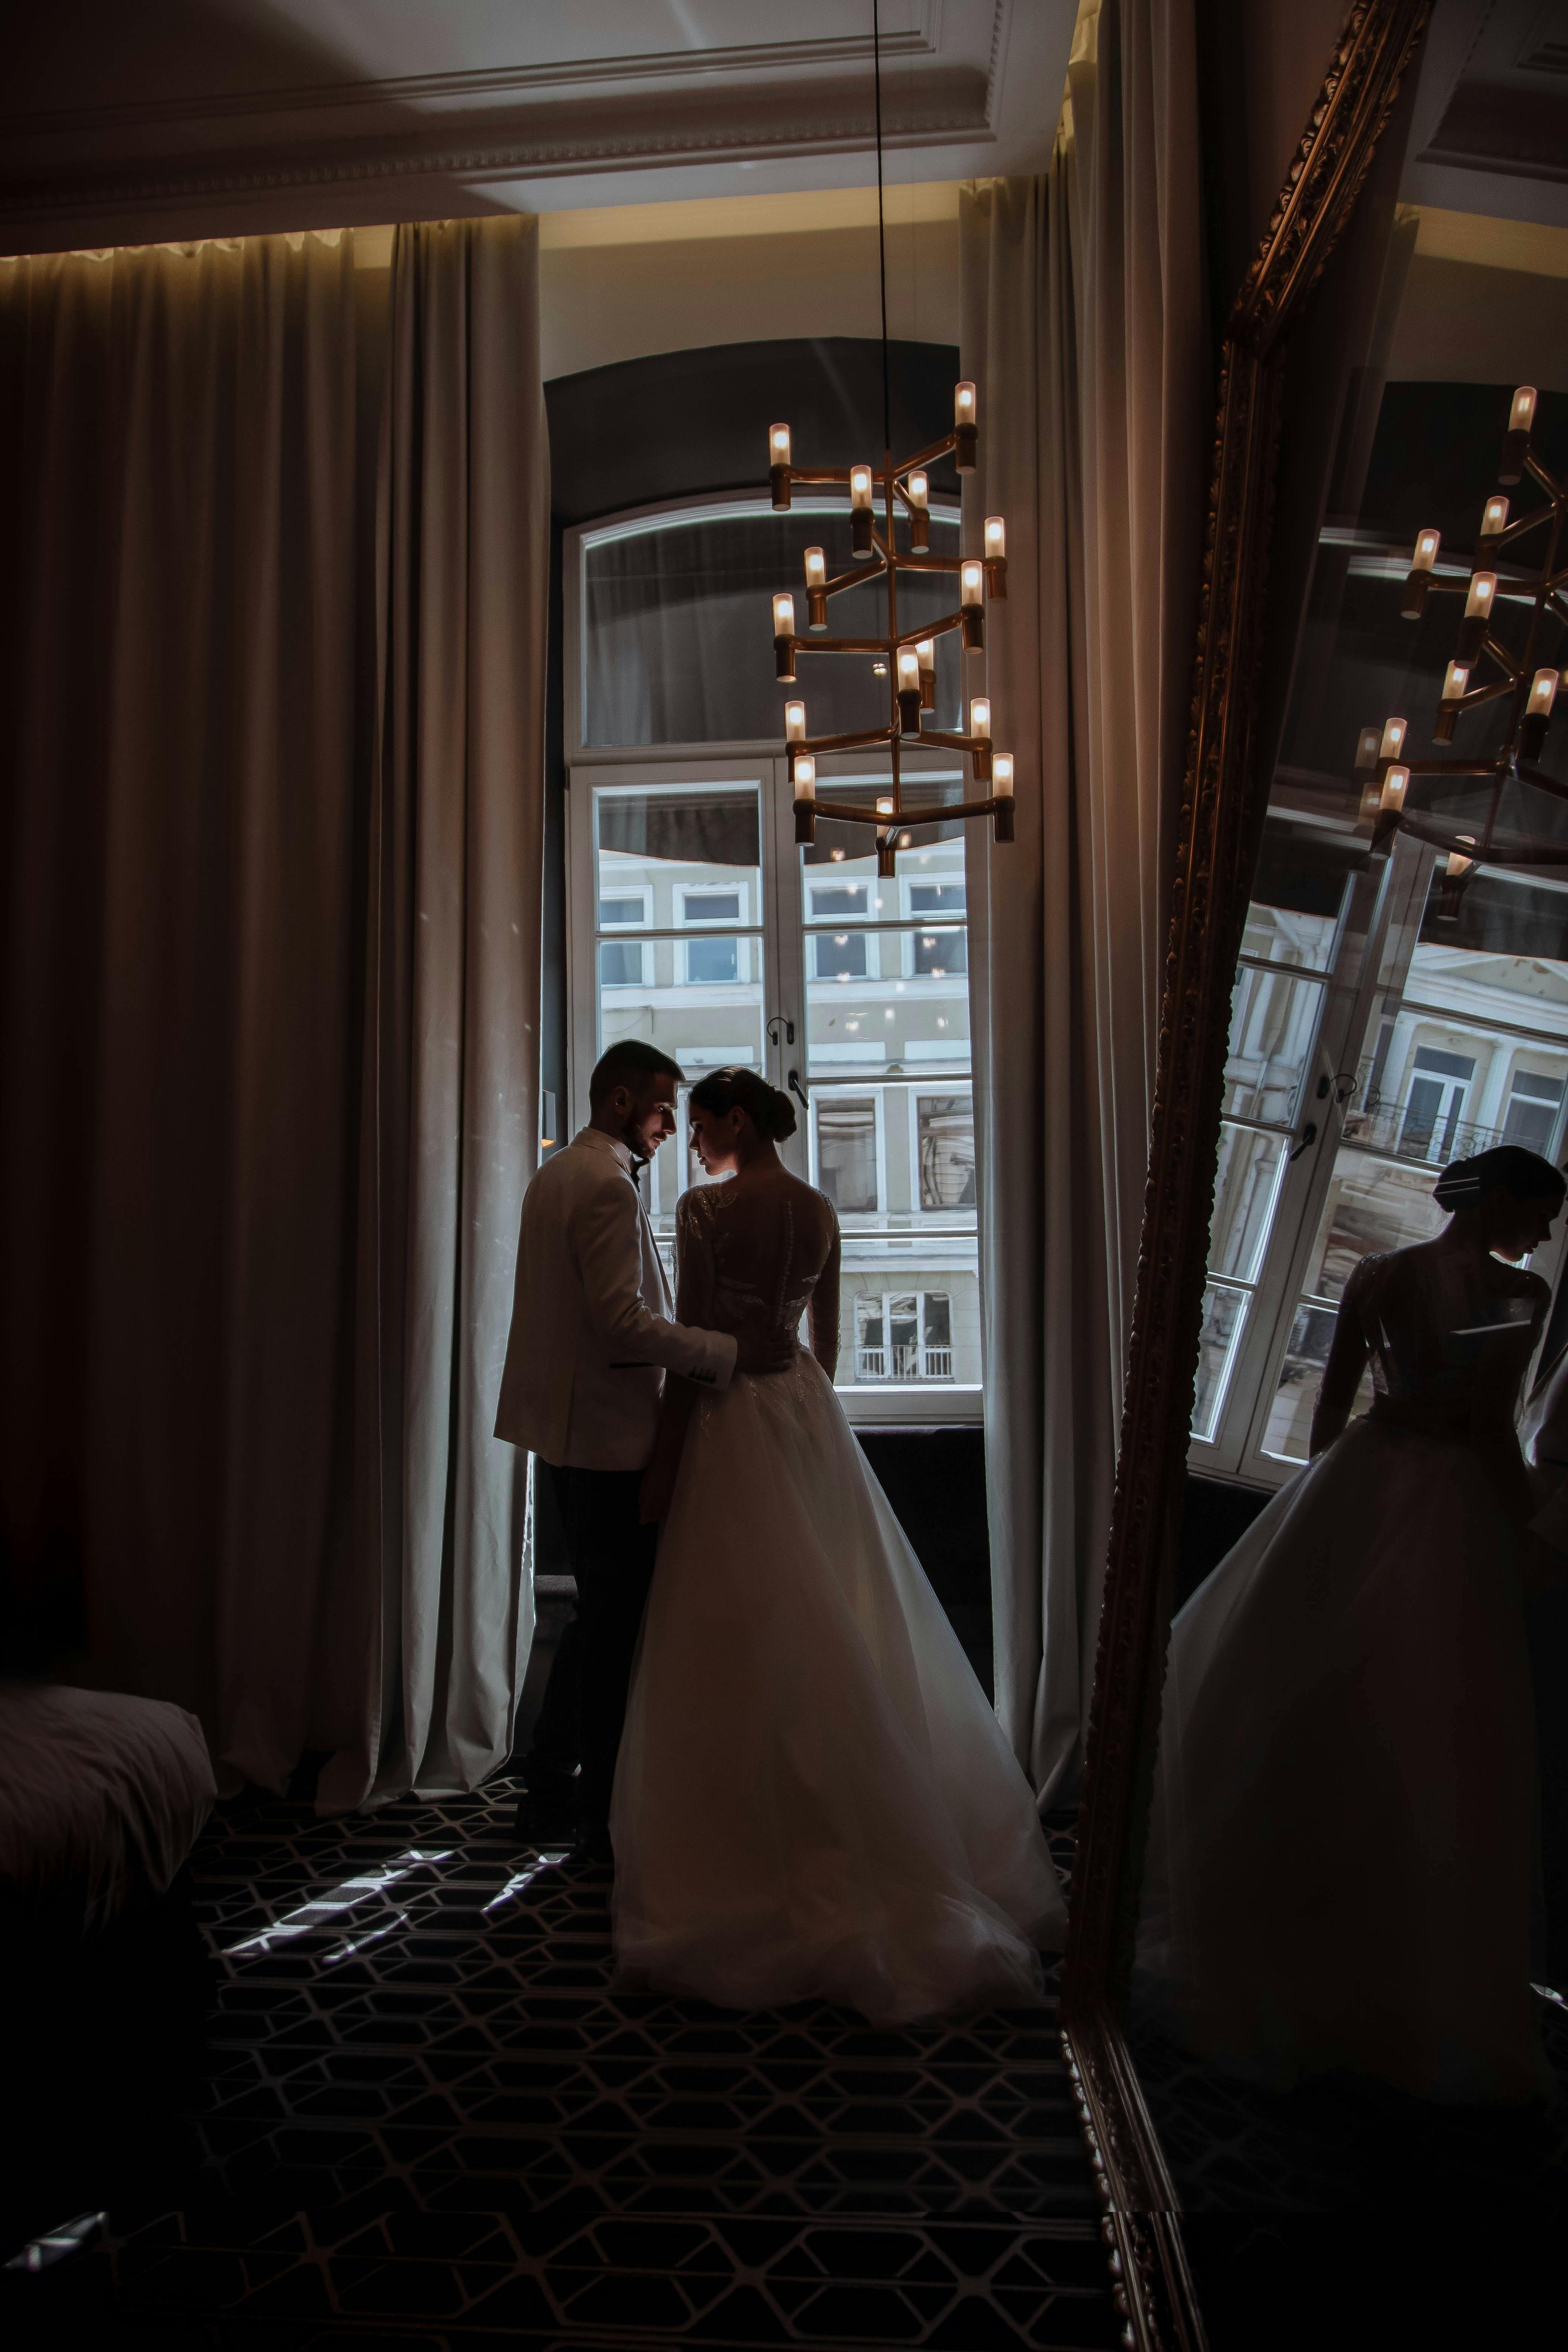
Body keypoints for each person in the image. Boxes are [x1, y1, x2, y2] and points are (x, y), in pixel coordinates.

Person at [609, 1066, 1066, 2025]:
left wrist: (665, 1459)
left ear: (736, 1121)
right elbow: (828, 1349)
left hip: (735, 1418)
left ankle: (747, 1844)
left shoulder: (703, 1211)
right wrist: (796, 1400)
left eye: (699, 1127)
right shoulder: (820, 1209)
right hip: (808, 1419)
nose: (692, 1146)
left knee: (734, 1627)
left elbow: (697, 1342)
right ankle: (885, 1826)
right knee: (839, 1611)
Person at [1138, 1144, 1567, 2102]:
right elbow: (1493, 1426)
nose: (1541, 1237)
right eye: (1537, 1215)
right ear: (1500, 1201)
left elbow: (1332, 1410)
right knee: (1432, 1721)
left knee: (1308, 1695)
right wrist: (1532, 1532)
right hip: (1450, 1495)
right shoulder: (1522, 1298)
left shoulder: (1378, 1274)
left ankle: (1273, 1920)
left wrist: (1331, 1506)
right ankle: (1389, 1959)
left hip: (1365, 1469)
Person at [495, 1041, 758, 1863]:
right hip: (607, 1439)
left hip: (566, 1434)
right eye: (662, 1109)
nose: (673, 1127)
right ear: (619, 1103)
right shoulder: (605, 1185)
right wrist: (718, 1351)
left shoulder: (556, 1176)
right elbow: (618, 1320)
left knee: (597, 1618)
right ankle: (596, 1818)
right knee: (613, 1630)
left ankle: (550, 1788)